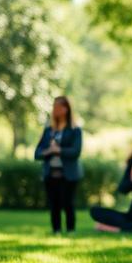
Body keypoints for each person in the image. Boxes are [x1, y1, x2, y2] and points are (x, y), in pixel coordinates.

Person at [34, 96, 83, 235]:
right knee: (54, 204)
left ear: (66, 109)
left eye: (59, 106)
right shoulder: (48, 130)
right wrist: (49, 151)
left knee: (68, 203)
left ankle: (70, 230)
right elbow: (37, 153)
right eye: (54, 106)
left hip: (69, 173)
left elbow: (76, 151)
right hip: (51, 173)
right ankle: (56, 230)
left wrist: (59, 150)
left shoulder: (75, 130)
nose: (55, 110)